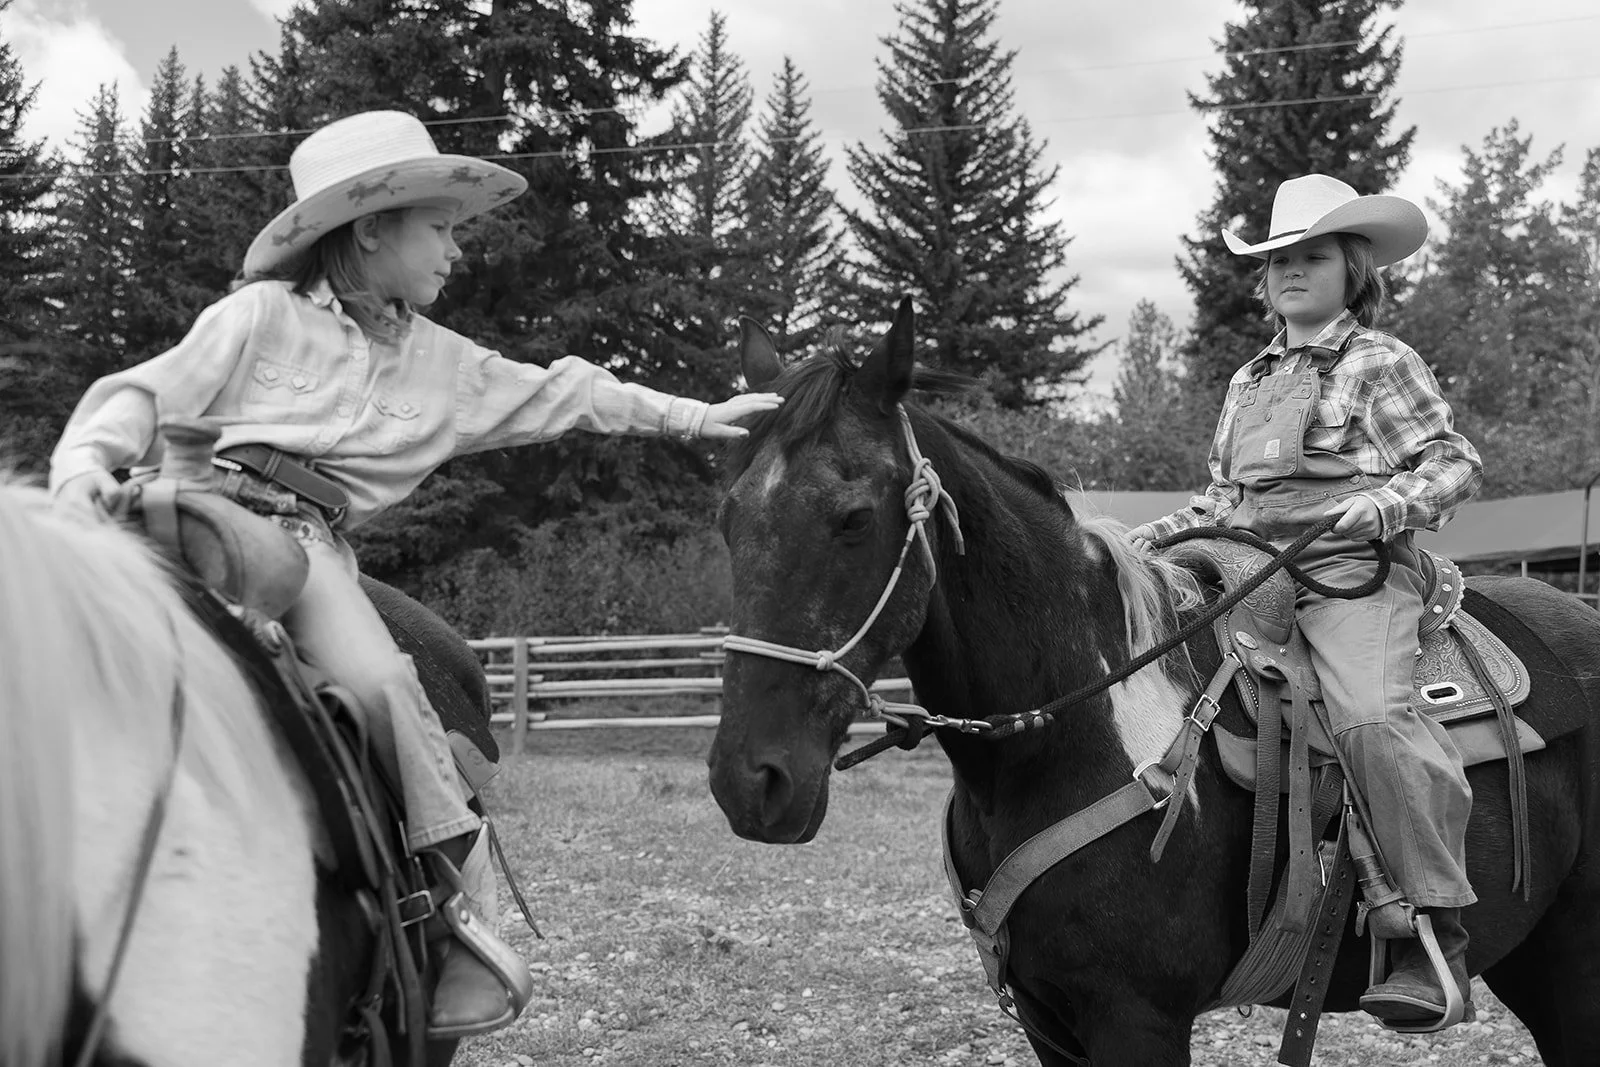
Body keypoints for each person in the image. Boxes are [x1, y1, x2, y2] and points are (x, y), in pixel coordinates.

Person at [49, 110, 782, 1038]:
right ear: (370, 229)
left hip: (300, 542)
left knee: (387, 683)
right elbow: (139, 395)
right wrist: (83, 470)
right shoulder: (256, 316)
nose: (455, 253)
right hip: (188, 503)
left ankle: (452, 920)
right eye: (439, 229)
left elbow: (565, 389)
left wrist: (689, 416)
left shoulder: (446, 366)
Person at [1128, 174, 1482, 1028]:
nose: (1292, 271)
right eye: (1279, 258)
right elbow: (1220, 500)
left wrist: (1387, 503)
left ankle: (1427, 928)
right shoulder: (1247, 378)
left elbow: (1452, 460)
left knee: (1366, 713)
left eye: (1312, 256)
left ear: (1352, 268)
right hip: (1241, 568)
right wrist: (1141, 541)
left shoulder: (1380, 359)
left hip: (1347, 576)